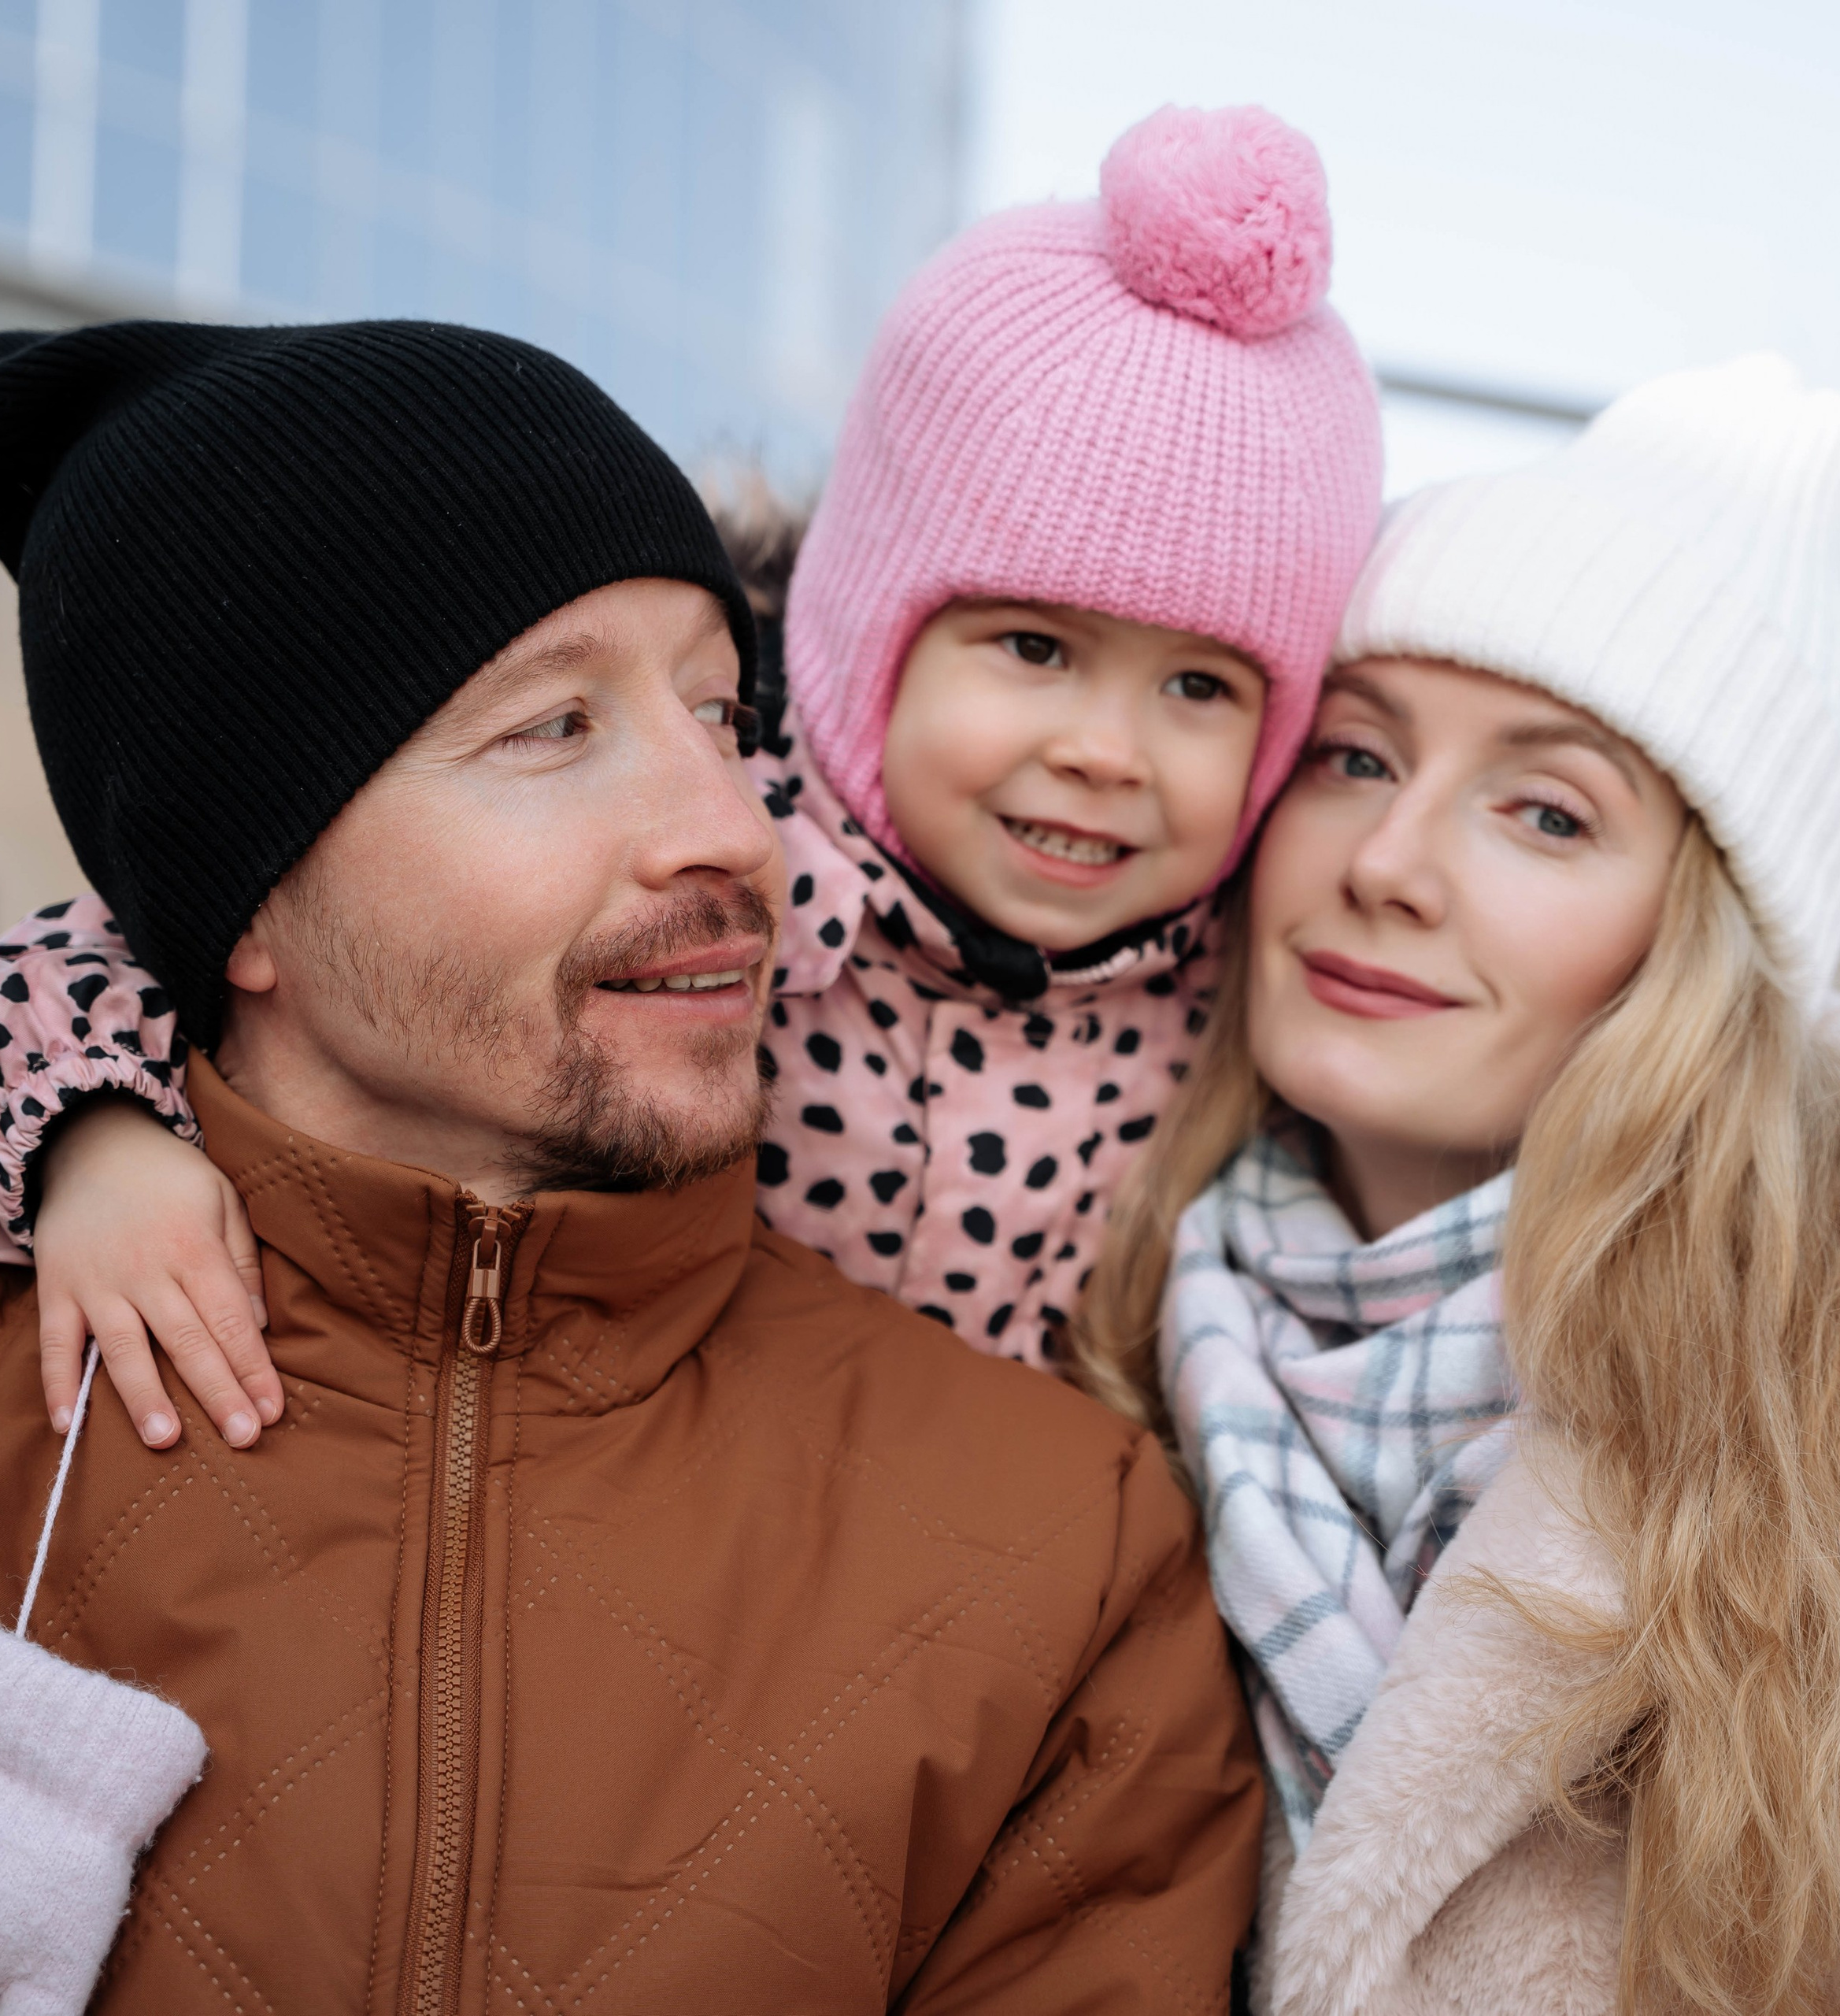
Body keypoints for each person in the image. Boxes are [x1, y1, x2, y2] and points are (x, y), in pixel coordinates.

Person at [0, 318, 1262, 2015]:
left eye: (720, 714)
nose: (740, 828)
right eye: (551, 727)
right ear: (244, 892)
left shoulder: (1070, 1551)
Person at [0, 103, 1384, 1466]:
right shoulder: (730, 837)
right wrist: (98, 1144)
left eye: (1201, 688)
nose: (1107, 750)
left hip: (981, 1542)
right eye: (1032, 647)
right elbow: (113, 944)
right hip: (658, 1458)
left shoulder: (1246, 988)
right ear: (871, 640)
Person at [1074, 355, 1840, 2010]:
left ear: (1691, 949)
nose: (1385, 861)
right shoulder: (1074, 1276)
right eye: (1354, 758)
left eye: (1542, 812)